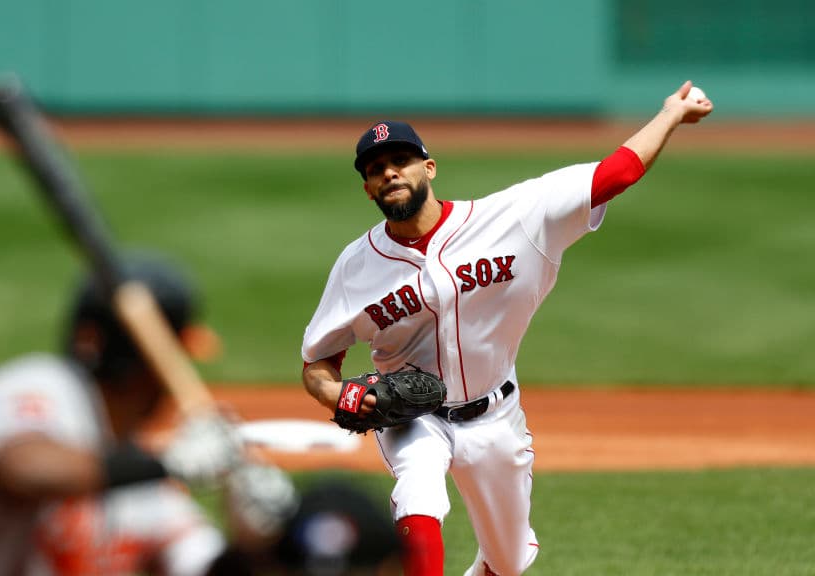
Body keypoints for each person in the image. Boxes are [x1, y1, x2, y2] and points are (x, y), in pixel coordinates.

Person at [301, 81, 713, 575]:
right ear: (367, 188)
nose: (389, 172)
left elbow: (614, 174)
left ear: (428, 168)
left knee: (509, 561)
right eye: (375, 169)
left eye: (401, 161)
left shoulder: (514, 218)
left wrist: (670, 114)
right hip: (411, 417)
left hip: (496, 416)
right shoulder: (355, 265)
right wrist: (337, 395)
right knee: (418, 491)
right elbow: (317, 363)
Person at [0, 251, 251, 576]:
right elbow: (26, 468)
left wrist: (256, 545)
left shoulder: (138, 476)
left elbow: (199, 565)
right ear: (133, 362)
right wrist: (167, 463)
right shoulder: (38, 387)